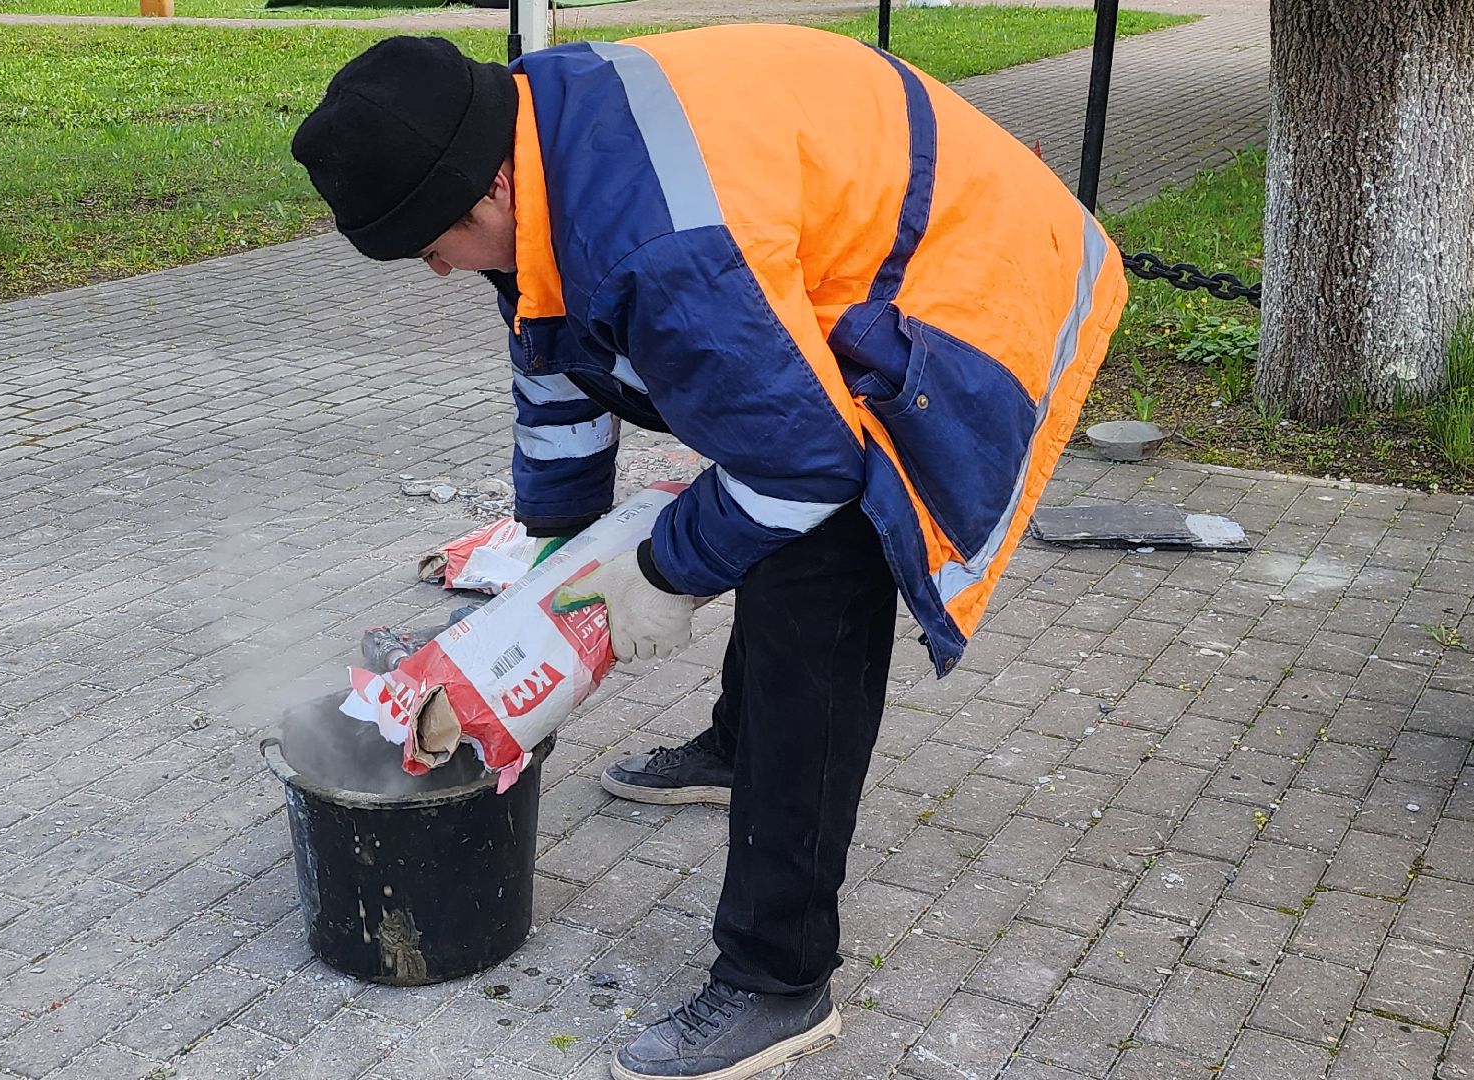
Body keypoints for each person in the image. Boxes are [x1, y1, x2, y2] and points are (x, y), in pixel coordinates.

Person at [291, 24, 1124, 1080]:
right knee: (754, 485)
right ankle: (739, 749)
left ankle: (778, 979)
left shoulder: (654, 242)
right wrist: (546, 563)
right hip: (852, 238)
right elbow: (549, 349)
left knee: (815, 567)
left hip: (971, 271)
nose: (436, 269)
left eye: (430, 249)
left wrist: (654, 573)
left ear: (484, 196)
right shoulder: (534, 141)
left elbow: (803, 469)